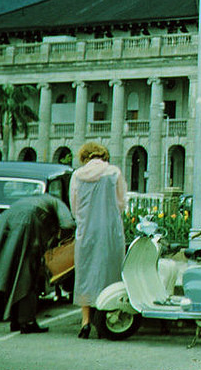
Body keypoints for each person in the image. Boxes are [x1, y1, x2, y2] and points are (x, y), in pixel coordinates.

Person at [0, 193, 74, 333]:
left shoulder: (36, 200)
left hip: (7, 217)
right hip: (28, 220)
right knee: (28, 274)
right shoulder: (58, 203)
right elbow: (68, 224)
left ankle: (15, 320)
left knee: (12, 273)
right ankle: (27, 322)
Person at [70, 142, 126, 339]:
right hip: (110, 229)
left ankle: (85, 322)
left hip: (87, 231)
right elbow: (121, 203)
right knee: (110, 272)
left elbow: (75, 208)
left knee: (86, 272)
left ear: (84, 157)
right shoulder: (114, 173)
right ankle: (105, 318)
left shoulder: (77, 175)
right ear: (104, 156)